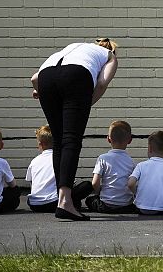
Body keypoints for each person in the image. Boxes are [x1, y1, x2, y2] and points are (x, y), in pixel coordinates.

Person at [31, 38, 119, 221]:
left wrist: (41, 92)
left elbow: (35, 78)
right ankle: (65, 202)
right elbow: (102, 84)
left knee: (59, 140)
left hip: (46, 76)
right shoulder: (109, 56)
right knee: (71, 139)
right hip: (76, 76)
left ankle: (62, 199)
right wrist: (84, 105)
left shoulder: (74, 47)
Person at [84, 120, 137, 214]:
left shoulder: (103, 158)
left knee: (89, 200)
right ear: (130, 140)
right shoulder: (131, 162)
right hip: (126, 206)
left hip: (106, 205)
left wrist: (98, 193)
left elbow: (95, 183)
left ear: (108, 139)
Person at [128, 131, 163, 215]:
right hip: (162, 209)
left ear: (149, 148)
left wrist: (137, 194)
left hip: (141, 207)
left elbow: (130, 184)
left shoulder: (141, 165)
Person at [26, 125, 60, 212]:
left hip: (34, 204)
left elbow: (31, 181)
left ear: (40, 145)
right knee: (86, 186)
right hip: (55, 202)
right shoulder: (60, 159)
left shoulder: (34, 161)